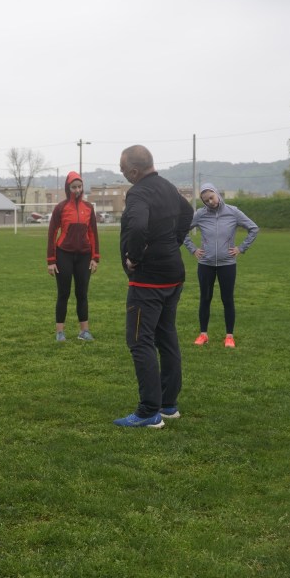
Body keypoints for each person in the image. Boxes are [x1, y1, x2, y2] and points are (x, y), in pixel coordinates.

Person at [114, 145, 194, 429]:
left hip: (148, 280)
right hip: (173, 275)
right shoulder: (168, 187)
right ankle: (168, 404)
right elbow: (188, 212)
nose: (123, 174)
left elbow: (137, 227)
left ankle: (149, 411)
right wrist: (173, 242)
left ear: (134, 171)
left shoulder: (139, 192)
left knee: (140, 341)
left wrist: (134, 257)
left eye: (123, 170)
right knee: (166, 336)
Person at [183, 182, 259, 348]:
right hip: (205, 264)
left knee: (227, 299)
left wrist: (241, 248)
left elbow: (253, 228)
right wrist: (193, 249)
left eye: (211, 197)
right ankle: (203, 334)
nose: (210, 202)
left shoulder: (233, 212)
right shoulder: (200, 214)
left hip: (227, 264)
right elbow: (182, 230)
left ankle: (229, 336)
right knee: (205, 298)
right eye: (206, 201)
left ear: (217, 193)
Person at [46, 171, 100, 342]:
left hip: (84, 256)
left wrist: (95, 257)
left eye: (79, 187)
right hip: (64, 255)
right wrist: (51, 260)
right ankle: (60, 332)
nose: (77, 190)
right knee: (63, 293)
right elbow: (52, 233)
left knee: (82, 293)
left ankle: (84, 331)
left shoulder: (88, 207)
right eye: (73, 187)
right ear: (68, 188)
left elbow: (93, 233)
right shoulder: (60, 208)